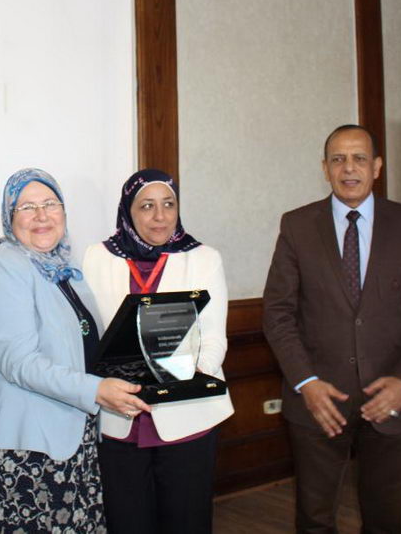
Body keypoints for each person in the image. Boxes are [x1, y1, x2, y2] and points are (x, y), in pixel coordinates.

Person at [262, 124, 401, 533]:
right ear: (325, 168)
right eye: (338, 159)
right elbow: (278, 313)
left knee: (387, 520)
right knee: (314, 520)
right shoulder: (297, 225)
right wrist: (306, 382)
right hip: (318, 401)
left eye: (359, 158)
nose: (349, 168)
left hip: (390, 398)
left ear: (377, 166)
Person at [0, 168, 149, 533]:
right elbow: (20, 363)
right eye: (27, 207)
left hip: (70, 441)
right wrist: (96, 390)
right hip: (23, 450)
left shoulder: (63, 268)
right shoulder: (5, 267)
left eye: (50, 204)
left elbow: (85, 346)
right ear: (9, 217)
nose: (42, 216)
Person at [82, 168, 234, 534]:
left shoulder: (203, 258)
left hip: (188, 416)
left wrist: (186, 382)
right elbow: (89, 335)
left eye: (169, 204)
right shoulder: (96, 258)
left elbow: (214, 338)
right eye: (147, 206)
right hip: (119, 417)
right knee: (127, 522)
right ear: (128, 211)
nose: (160, 216)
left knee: (187, 521)